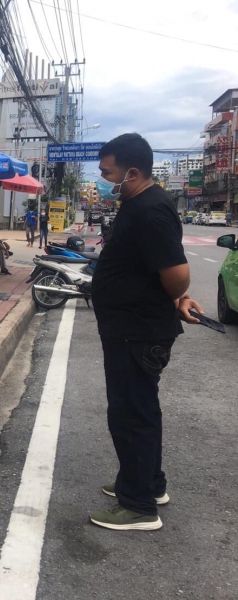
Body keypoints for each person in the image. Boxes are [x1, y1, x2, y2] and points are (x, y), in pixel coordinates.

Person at [89, 133, 202, 531]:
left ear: (132, 173)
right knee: (140, 408)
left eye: (107, 173)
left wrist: (178, 294)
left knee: (131, 413)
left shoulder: (150, 210)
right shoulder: (138, 204)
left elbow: (176, 273)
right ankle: (147, 484)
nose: (102, 180)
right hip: (131, 326)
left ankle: (138, 506)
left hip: (137, 330)